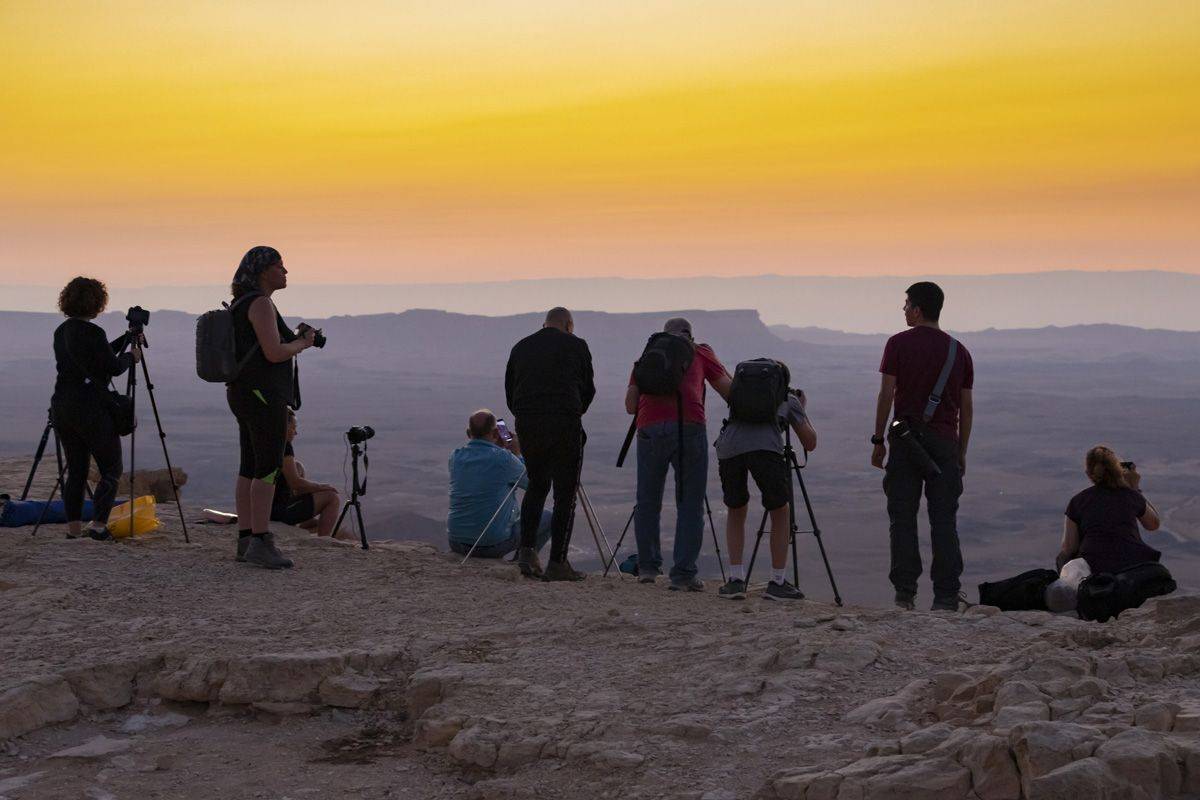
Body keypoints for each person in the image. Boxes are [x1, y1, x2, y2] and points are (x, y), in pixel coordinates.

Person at [871, 282, 974, 611]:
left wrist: (877, 440)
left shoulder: (898, 344)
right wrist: (961, 451)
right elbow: (966, 407)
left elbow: (887, 394)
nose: (903, 311)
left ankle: (905, 595)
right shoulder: (960, 352)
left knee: (902, 517)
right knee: (944, 519)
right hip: (944, 442)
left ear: (917, 309)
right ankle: (946, 596)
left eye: (906, 305)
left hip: (905, 442)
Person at [227, 245, 318, 569]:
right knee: (267, 467)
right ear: (265, 270)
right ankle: (262, 541)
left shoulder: (241, 303)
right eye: (280, 266)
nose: (286, 272)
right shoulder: (261, 303)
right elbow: (273, 353)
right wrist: (303, 344)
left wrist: (292, 340)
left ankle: (246, 538)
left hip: (242, 392)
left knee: (249, 466)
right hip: (263, 395)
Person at [624, 318, 731, 591]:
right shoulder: (700, 351)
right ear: (689, 334)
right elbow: (729, 392)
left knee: (647, 501)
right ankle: (683, 575)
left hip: (648, 428)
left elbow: (630, 405)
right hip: (689, 428)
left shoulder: (647, 356)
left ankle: (647, 568)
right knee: (689, 502)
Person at [504, 307, 595, 581]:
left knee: (537, 484)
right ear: (568, 325)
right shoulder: (576, 345)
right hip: (564, 423)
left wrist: (524, 416)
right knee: (565, 493)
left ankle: (527, 552)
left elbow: (510, 391)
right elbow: (588, 389)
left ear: (544, 324)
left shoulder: (521, 346)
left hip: (529, 424)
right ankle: (558, 562)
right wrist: (574, 411)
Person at [50, 277, 141, 541]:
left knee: (76, 469)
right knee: (111, 468)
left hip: (63, 406)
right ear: (96, 303)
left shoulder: (62, 331)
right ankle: (99, 526)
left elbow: (95, 357)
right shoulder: (93, 333)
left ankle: (74, 530)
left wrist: (125, 339)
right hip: (91, 408)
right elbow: (112, 367)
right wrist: (131, 356)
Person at [714, 376, 817, 601]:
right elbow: (810, 442)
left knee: (736, 509)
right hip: (765, 451)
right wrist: (801, 408)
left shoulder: (740, 395)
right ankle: (777, 582)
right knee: (780, 511)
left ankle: (735, 581)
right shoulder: (788, 398)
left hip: (729, 449)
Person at [447, 410, 553, 559]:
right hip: (490, 546)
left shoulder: (455, 457)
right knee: (550, 517)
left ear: (468, 433)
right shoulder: (505, 459)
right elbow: (533, 484)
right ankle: (524, 562)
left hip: (456, 542)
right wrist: (516, 454)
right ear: (497, 434)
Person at [1056, 445, 1162, 575]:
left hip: (1094, 566)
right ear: (1117, 470)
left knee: (1063, 558)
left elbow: (1068, 547)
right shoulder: (1130, 495)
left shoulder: (1078, 501)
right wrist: (1134, 489)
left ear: (1089, 473)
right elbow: (1153, 524)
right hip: (1133, 564)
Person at [271, 408, 344, 538]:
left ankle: (306, 522)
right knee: (332, 497)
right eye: (293, 428)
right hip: (277, 512)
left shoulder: (267, 442)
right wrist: (322, 487)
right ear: (284, 427)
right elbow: (295, 483)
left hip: (264, 507)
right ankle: (324, 540)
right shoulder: (283, 445)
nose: (296, 433)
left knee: (298, 467)